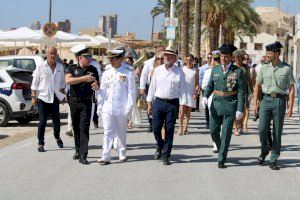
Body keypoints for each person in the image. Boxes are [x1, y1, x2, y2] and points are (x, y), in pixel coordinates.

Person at [253, 41, 295, 170]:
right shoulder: (264, 67)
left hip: (279, 101)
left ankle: (274, 158)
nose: (267, 55)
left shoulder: (286, 68)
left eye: (269, 53)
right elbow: (257, 86)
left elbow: (291, 88)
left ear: (277, 54)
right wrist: (255, 103)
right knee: (262, 129)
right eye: (267, 52)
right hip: (265, 100)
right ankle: (264, 149)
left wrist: (290, 106)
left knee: (277, 131)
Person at [202, 44, 245, 168]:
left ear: (231, 57)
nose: (223, 59)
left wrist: (240, 109)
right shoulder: (215, 70)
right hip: (216, 104)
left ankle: (221, 158)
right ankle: (222, 149)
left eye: (226, 57)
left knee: (225, 134)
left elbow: (242, 91)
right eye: (221, 56)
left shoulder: (237, 71)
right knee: (213, 130)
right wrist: (205, 96)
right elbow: (210, 85)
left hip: (230, 105)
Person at [146, 47, 187, 165]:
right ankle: (160, 145)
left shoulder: (179, 72)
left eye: (170, 56)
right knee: (155, 127)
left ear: (175, 59)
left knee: (169, 129)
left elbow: (183, 90)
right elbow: (152, 87)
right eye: (165, 56)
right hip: (158, 102)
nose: (167, 58)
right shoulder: (158, 70)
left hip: (172, 103)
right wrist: (149, 103)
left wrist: (182, 106)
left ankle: (166, 154)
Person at [97, 49, 136, 165]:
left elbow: (132, 91)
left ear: (120, 59)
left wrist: (129, 107)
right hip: (108, 106)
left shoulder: (128, 71)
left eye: (113, 58)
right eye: (110, 58)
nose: (111, 60)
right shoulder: (106, 72)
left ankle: (122, 152)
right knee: (107, 131)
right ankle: (106, 155)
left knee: (121, 131)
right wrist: (100, 105)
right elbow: (102, 90)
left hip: (122, 106)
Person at [65, 46, 99, 165]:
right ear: (80, 58)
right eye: (87, 57)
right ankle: (78, 150)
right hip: (74, 101)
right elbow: (68, 81)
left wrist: (96, 86)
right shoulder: (72, 68)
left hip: (86, 102)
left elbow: (97, 84)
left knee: (84, 127)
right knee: (76, 127)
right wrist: (85, 78)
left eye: (90, 57)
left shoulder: (93, 69)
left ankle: (83, 154)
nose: (89, 59)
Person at [31, 46, 66, 152]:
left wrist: (63, 96)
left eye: (54, 53)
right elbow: (34, 83)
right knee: (42, 121)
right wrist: (33, 97)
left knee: (56, 121)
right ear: (46, 54)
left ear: (57, 54)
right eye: (50, 53)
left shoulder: (60, 66)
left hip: (55, 97)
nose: (52, 55)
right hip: (43, 97)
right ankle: (40, 143)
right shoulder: (41, 66)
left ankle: (57, 136)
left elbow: (62, 83)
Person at [139, 46, 165, 132]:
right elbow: (144, 75)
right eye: (159, 51)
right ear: (156, 51)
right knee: (150, 106)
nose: (161, 53)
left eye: (163, 51)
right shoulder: (148, 63)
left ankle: (160, 123)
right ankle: (151, 124)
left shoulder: (167, 62)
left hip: (162, 88)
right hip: (150, 87)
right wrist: (142, 87)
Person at [201, 50, 221, 153]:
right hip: (212, 97)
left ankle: (220, 142)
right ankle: (215, 143)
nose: (217, 61)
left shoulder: (224, 70)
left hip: (223, 98)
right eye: (215, 59)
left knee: (222, 123)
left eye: (218, 59)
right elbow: (204, 85)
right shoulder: (209, 71)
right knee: (214, 121)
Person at [232, 50, 253, 135]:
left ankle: (240, 124)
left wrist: (252, 90)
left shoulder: (246, 67)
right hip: (233, 91)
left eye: (240, 57)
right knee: (234, 109)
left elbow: (249, 79)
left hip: (244, 91)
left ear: (242, 58)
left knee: (244, 109)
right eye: (236, 57)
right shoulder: (232, 67)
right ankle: (236, 128)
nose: (238, 59)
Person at [178, 54, 199, 135]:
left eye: (190, 60)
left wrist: (196, 93)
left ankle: (186, 127)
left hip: (191, 92)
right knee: (181, 110)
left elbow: (197, 84)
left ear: (193, 61)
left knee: (188, 111)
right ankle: (180, 127)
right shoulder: (182, 69)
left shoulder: (195, 71)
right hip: (182, 92)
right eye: (187, 60)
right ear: (185, 60)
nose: (189, 61)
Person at [199, 53, 213, 128]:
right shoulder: (203, 68)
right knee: (206, 106)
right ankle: (208, 123)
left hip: (214, 90)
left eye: (211, 58)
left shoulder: (216, 67)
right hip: (205, 90)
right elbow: (200, 78)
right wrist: (200, 87)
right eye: (208, 58)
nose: (210, 59)